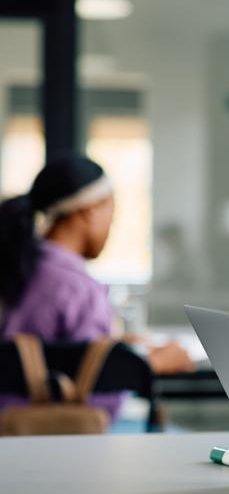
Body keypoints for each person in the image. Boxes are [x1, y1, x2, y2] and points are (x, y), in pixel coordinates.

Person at [0, 155, 194, 382]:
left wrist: (117, 352)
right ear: (90, 210)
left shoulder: (20, 268)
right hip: (53, 416)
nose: (110, 227)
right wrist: (151, 364)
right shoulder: (79, 289)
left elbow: (60, 358)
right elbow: (99, 397)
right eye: (111, 214)